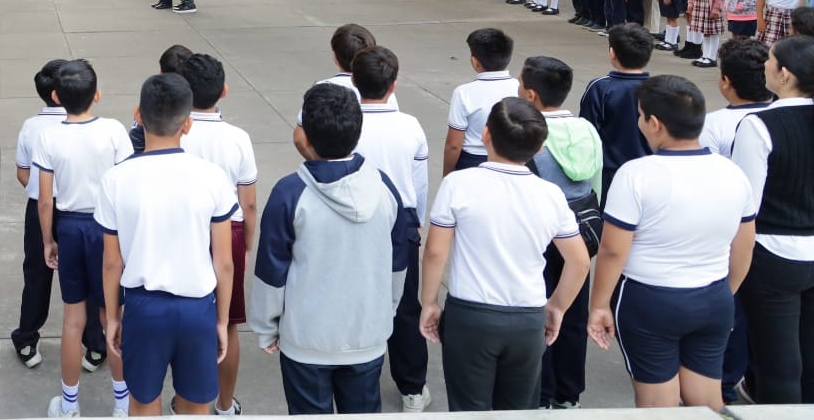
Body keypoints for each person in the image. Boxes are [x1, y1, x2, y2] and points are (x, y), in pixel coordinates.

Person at [589, 76, 757, 409]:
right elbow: (744, 246)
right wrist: (725, 292)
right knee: (706, 401)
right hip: (713, 297)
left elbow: (612, 250)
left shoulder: (635, 174)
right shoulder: (733, 172)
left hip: (650, 301)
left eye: (641, 116)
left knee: (658, 405)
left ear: (655, 124)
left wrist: (599, 305)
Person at [420, 98, 591, 411]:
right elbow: (579, 261)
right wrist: (557, 307)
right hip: (527, 317)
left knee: (468, 409)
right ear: (540, 147)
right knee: (517, 410)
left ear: (485, 134)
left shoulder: (458, 184)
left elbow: (435, 252)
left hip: (470, 315)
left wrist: (429, 302)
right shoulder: (551, 194)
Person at [251, 83, 405, 416]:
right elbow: (398, 263)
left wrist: (266, 327)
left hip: (306, 340)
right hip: (367, 335)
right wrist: (386, 310)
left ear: (305, 137)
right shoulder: (384, 188)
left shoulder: (290, 193)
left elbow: (271, 270)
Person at [97, 73, 236, 415]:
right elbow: (224, 263)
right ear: (187, 124)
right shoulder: (213, 177)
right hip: (197, 309)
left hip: (144, 309)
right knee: (196, 406)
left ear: (138, 115)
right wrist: (221, 321)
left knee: (143, 403)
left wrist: (113, 318)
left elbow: (112, 263)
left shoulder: (115, 179)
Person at [32, 59, 134, 418]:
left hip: (70, 228)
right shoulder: (114, 131)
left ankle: (69, 404)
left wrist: (48, 240)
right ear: (97, 95)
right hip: (108, 230)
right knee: (112, 317)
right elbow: (126, 188)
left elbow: (45, 199)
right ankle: (122, 404)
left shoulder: (48, 136)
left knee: (73, 320)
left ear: (56, 97)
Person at [175, 54, 260, 416]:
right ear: (224, 90)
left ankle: (184, 403)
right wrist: (247, 243)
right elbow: (249, 201)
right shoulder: (238, 138)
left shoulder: (176, 134)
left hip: (186, 231)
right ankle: (225, 404)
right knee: (229, 323)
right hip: (230, 231)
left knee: (186, 319)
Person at [731, 35, 814, 404]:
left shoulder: (759, 124)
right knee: (809, 355)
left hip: (772, 253)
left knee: (777, 364)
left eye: (769, 59)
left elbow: (745, 206)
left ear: (785, 74)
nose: (763, 65)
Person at [516, 57, 602, 410]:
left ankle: (542, 390)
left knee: (542, 308)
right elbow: (596, 180)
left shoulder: (529, 133)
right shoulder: (586, 130)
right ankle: (569, 393)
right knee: (572, 310)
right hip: (582, 230)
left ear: (531, 95)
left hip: (541, 234)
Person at [349, 47, 431, 411]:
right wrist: (418, 221)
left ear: (354, 81)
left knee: (357, 299)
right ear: (394, 85)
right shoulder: (409, 125)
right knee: (405, 306)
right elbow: (419, 181)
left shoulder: (349, 124)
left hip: (355, 217)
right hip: (401, 222)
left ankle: (355, 377)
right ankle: (412, 388)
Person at [12, 60, 107, 373]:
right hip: (84, 213)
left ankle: (27, 337)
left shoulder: (32, 127)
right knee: (90, 279)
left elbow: (23, 173)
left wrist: (41, 197)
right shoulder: (104, 130)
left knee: (37, 276)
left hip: (41, 207)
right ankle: (96, 344)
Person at [580, 23, 656, 193]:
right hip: (651, 173)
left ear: (612, 52)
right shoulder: (660, 89)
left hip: (610, 174)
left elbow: (587, 132)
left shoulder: (600, 88)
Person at [442, 27, 517, 175]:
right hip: (513, 159)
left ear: (475, 62)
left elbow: (454, 145)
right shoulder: (520, 88)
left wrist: (447, 175)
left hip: (472, 161)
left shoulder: (464, 92)